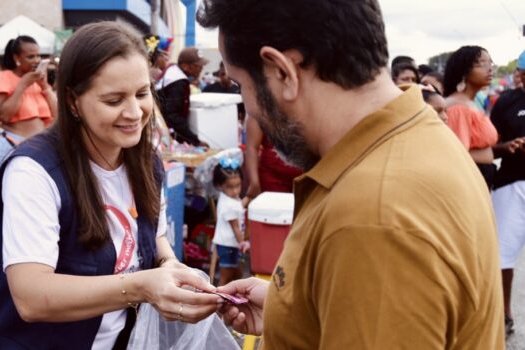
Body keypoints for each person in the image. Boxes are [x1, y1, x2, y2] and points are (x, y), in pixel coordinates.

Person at [197, 1, 504, 348]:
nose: (248, 106)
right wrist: (291, 311)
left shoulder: (372, 217)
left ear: (283, 71)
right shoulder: (419, 136)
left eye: (241, 85)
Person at [0, 22, 221, 349]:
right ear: (73, 101)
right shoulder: (33, 171)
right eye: (114, 100)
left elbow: (152, 236)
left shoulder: (146, 161)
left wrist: (170, 267)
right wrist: (143, 286)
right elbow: (31, 296)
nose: (134, 112)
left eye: (142, 94)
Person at [489, 50, 525, 337]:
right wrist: (508, 146)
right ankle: (503, 313)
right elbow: (492, 142)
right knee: (502, 254)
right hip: (512, 183)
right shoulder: (507, 101)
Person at [0, 35, 56, 176]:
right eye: (30, 57)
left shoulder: (37, 81)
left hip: (41, 149)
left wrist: (45, 87)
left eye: (38, 56)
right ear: (17, 58)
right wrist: (22, 84)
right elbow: (4, 115)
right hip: (13, 146)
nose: (36, 60)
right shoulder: (2, 77)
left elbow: (58, 115)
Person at [443, 46, 498, 189]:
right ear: (464, 72)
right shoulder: (458, 108)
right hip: (471, 180)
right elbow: (458, 154)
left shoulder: (469, 103)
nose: (490, 68)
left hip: (480, 177)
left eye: (490, 63)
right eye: (481, 63)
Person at [242, 116, 302, 207]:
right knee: (275, 215)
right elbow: (251, 147)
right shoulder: (261, 107)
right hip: (272, 177)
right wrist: (254, 182)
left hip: (306, 175)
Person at [155, 47, 210, 147]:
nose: (201, 69)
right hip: (163, 136)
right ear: (185, 66)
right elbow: (173, 117)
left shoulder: (172, 72)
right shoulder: (178, 82)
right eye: (198, 66)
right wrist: (195, 140)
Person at [211, 160, 249, 286]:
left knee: (234, 273)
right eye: (230, 187)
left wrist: (248, 198)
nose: (235, 191)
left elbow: (238, 208)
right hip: (228, 245)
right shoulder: (228, 204)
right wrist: (242, 243)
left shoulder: (229, 197)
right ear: (219, 185)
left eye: (238, 186)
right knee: (226, 276)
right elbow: (235, 227)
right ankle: (218, 300)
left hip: (229, 244)